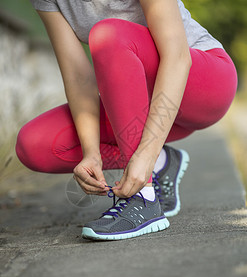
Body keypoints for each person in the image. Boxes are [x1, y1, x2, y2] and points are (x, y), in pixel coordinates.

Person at [16, 0, 238, 240]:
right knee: (34, 145)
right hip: (140, 105)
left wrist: (146, 154)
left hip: (203, 83)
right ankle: (163, 164)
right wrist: (92, 153)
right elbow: (79, 78)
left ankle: (143, 197)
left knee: (107, 34)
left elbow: (177, 58)